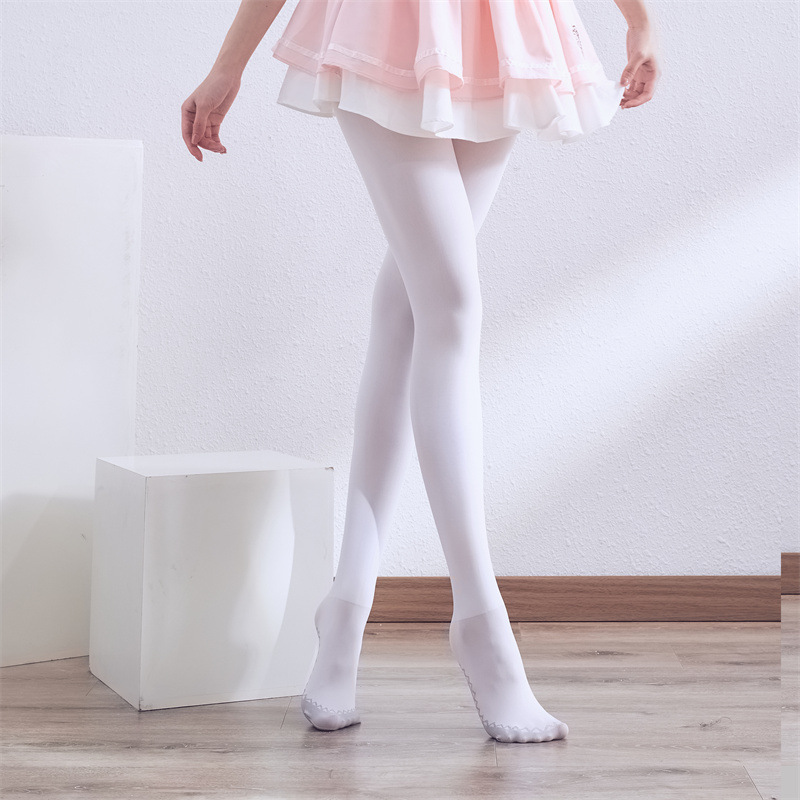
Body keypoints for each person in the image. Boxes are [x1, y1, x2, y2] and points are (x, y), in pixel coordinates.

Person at [181, 0, 661, 744]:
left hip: (498, 28)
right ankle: (480, 620)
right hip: (387, 22)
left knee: (412, 303)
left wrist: (639, 19)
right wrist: (227, 64)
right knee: (451, 301)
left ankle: (345, 608)